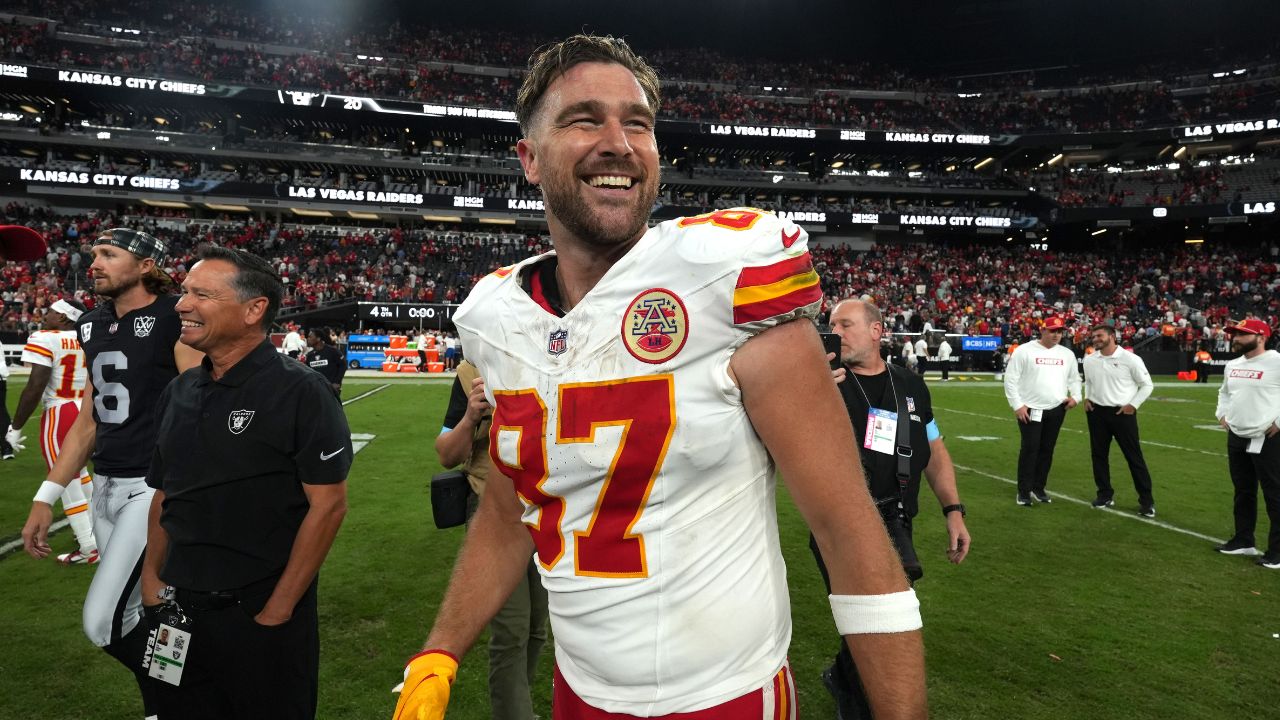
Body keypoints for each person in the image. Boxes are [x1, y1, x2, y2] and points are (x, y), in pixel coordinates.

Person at [393, 34, 925, 720]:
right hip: (578, 693)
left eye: (637, 123)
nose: (617, 141)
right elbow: (510, 503)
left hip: (729, 695)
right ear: (528, 157)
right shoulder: (497, 318)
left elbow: (848, 529)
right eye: (585, 118)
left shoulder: (726, 279)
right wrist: (441, 650)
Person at [141, 246, 352, 717]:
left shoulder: (299, 391)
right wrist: (152, 582)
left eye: (201, 294)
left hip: (257, 612)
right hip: (175, 610)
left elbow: (329, 507)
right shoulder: (179, 390)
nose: (181, 304)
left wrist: (278, 609)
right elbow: (165, 492)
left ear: (254, 309)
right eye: (184, 292)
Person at [21, 228, 203, 718]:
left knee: (102, 621)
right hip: (105, 484)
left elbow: (201, 396)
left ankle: (192, 688)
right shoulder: (92, 326)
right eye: (94, 254)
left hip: (152, 486)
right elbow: (88, 420)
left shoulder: (173, 316)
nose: (94, 263)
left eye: (108, 254)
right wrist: (46, 495)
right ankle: (163, 706)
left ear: (146, 265)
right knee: (153, 611)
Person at [820, 299, 971, 719]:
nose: (836, 331)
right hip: (842, 524)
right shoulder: (824, 381)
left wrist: (953, 510)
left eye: (845, 324)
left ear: (876, 330)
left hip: (898, 517)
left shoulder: (911, 384)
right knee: (874, 622)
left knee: (870, 622)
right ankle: (855, 703)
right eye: (832, 324)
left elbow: (934, 448)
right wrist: (814, 389)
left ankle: (842, 678)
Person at [435, 359, 548, 720]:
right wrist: (471, 417)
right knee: (512, 630)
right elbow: (446, 454)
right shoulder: (471, 372)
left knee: (537, 629)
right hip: (493, 512)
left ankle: (518, 707)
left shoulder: (547, 354)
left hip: (544, 509)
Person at [10, 298, 99, 564]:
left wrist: (15, 426)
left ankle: (88, 546)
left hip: (61, 412)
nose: (44, 315)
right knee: (81, 476)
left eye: (50, 312)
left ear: (63, 318)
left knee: (65, 480)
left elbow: (35, 385)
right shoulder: (88, 334)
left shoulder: (46, 338)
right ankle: (96, 531)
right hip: (86, 408)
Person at [1212, 318, 1280, 569]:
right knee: (1243, 490)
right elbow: (1224, 392)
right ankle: (1243, 540)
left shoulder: (1276, 361)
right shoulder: (1233, 364)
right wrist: (1221, 414)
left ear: (1261, 337)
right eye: (1234, 334)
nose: (1235, 338)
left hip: (1268, 437)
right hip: (1237, 436)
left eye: (1242, 334)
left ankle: (1277, 551)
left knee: (1274, 494)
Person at [1003, 316, 1082, 506]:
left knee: (1047, 450)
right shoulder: (1024, 351)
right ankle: (1023, 491)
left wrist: (1076, 397)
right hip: (1030, 408)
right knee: (1030, 449)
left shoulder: (1066, 354)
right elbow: (1011, 379)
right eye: (1053, 331)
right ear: (1043, 330)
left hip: (1057, 408)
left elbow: (1074, 379)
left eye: (1059, 331)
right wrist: (1017, 405)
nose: (1056, 335)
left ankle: (1038, 488)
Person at [1082, 324, 1156, 516]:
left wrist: (1133, 405)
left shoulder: (1130, 359)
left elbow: (1147, 385)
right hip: (1097, 413)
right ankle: (1104, 494)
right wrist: (1087, 397)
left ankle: (1147, 501)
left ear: (1112, 336)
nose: (1095, 339)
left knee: (1134, 457)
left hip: (1123, 414)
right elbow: (1088, 382)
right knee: (1098, 456)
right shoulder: (1090, 360)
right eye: (1093, 336)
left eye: (1099, 335)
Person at [304, 326, 346, 398]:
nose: (308, 339)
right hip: (316, 389)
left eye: (310, 337)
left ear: (318, 339)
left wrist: (337, 382)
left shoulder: (332, 351)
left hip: (331, 389)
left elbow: (343, 365)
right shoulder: (310, 355)